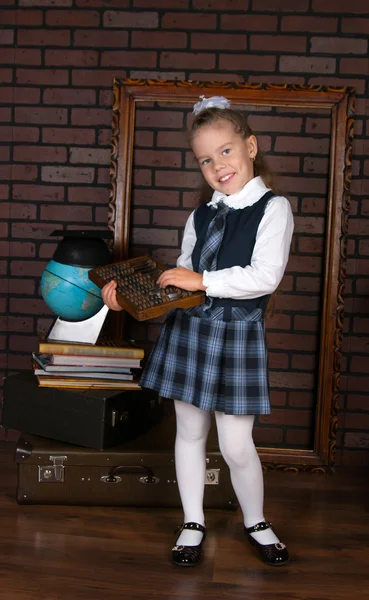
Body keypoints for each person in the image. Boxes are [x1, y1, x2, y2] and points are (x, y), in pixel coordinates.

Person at [102, 95, 294, 568]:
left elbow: (263, 278)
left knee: (234, 444)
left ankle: (256, 520)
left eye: (226, 151)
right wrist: (127, 294)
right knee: (188, 432)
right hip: (191, 331)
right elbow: (180, 283)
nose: (218, 165)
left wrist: (200, 280)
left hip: (237, 335)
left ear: (250, 146)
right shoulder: (200, 215)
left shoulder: (274, 208)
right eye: (206, 159)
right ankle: (193, 521)